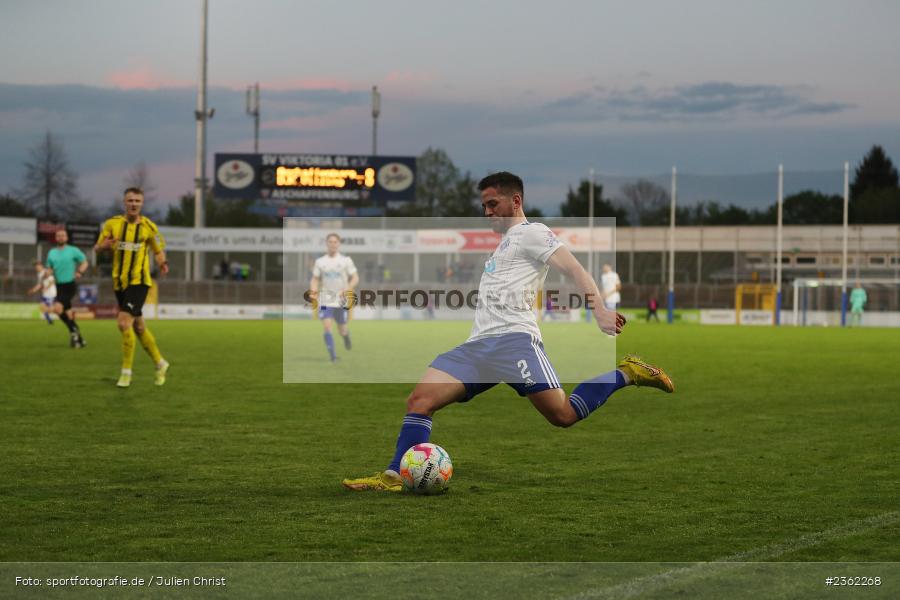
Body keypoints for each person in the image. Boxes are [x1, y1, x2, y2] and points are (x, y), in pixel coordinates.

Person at [342, 172, 674, 492]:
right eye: (484, 206)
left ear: (515, 201)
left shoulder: (533, 233)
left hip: (515, 342)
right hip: (477, 347)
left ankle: (627, 373)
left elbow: (574, 268)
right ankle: (393, 476)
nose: (487, 212)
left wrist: (598, 308)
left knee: (563, 415)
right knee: (419, 400)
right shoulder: (503, 245)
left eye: (493, 204)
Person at [94, 187, 170, 388]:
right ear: (124, 202)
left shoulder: (148, 227)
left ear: (142, 203)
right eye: (130, 200)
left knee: (123, 323)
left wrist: (163, 263)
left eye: (137, 201)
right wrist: (103, 246)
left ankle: (126, 373)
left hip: (140, 281)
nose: (134, 204)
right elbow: (97, 247)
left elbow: (158, 251)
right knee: (138, 327)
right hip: (120, 282)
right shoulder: (112, 224)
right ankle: (160, 363)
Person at [309, 233, 359, 362]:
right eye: (330, 242)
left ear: (339, 244)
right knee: (327, 326)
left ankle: (346, 336)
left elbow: (355, 278)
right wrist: (313, 290)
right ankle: (333, 356)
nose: (333, 244)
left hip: (341, 300)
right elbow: (315, 279)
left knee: (342, 329)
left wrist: (347, 289)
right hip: (326, 298)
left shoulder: (346, 260)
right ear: (327, 244)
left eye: (335, 242)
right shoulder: (320, 262)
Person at [45, 229, 88, 347]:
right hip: (59, 286)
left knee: (57, 309)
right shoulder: (52, 252)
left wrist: (79, 272)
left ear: (67, 238)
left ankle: (74, 334)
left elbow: (85, 262)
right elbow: (49, 267)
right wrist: (48, 273)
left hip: (69, 285)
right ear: (56, 238)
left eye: (63, 235)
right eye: (58, 235)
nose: (61, 237)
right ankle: (79, 339)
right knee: (68, 315)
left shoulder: (73, 250)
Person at [28, 260, 56, 325]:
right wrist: (33, 290)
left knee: (50, 309)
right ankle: (50, 321)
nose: (36, 268)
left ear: (41, 266)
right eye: (35, 266)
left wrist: (46, 288)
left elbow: (52, 281)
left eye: (37, 266)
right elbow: (40, 284)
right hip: (45, 294)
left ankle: (62, 313)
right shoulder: (39, 274)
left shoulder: (47, 272)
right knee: (42, 307)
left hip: (51, 293)